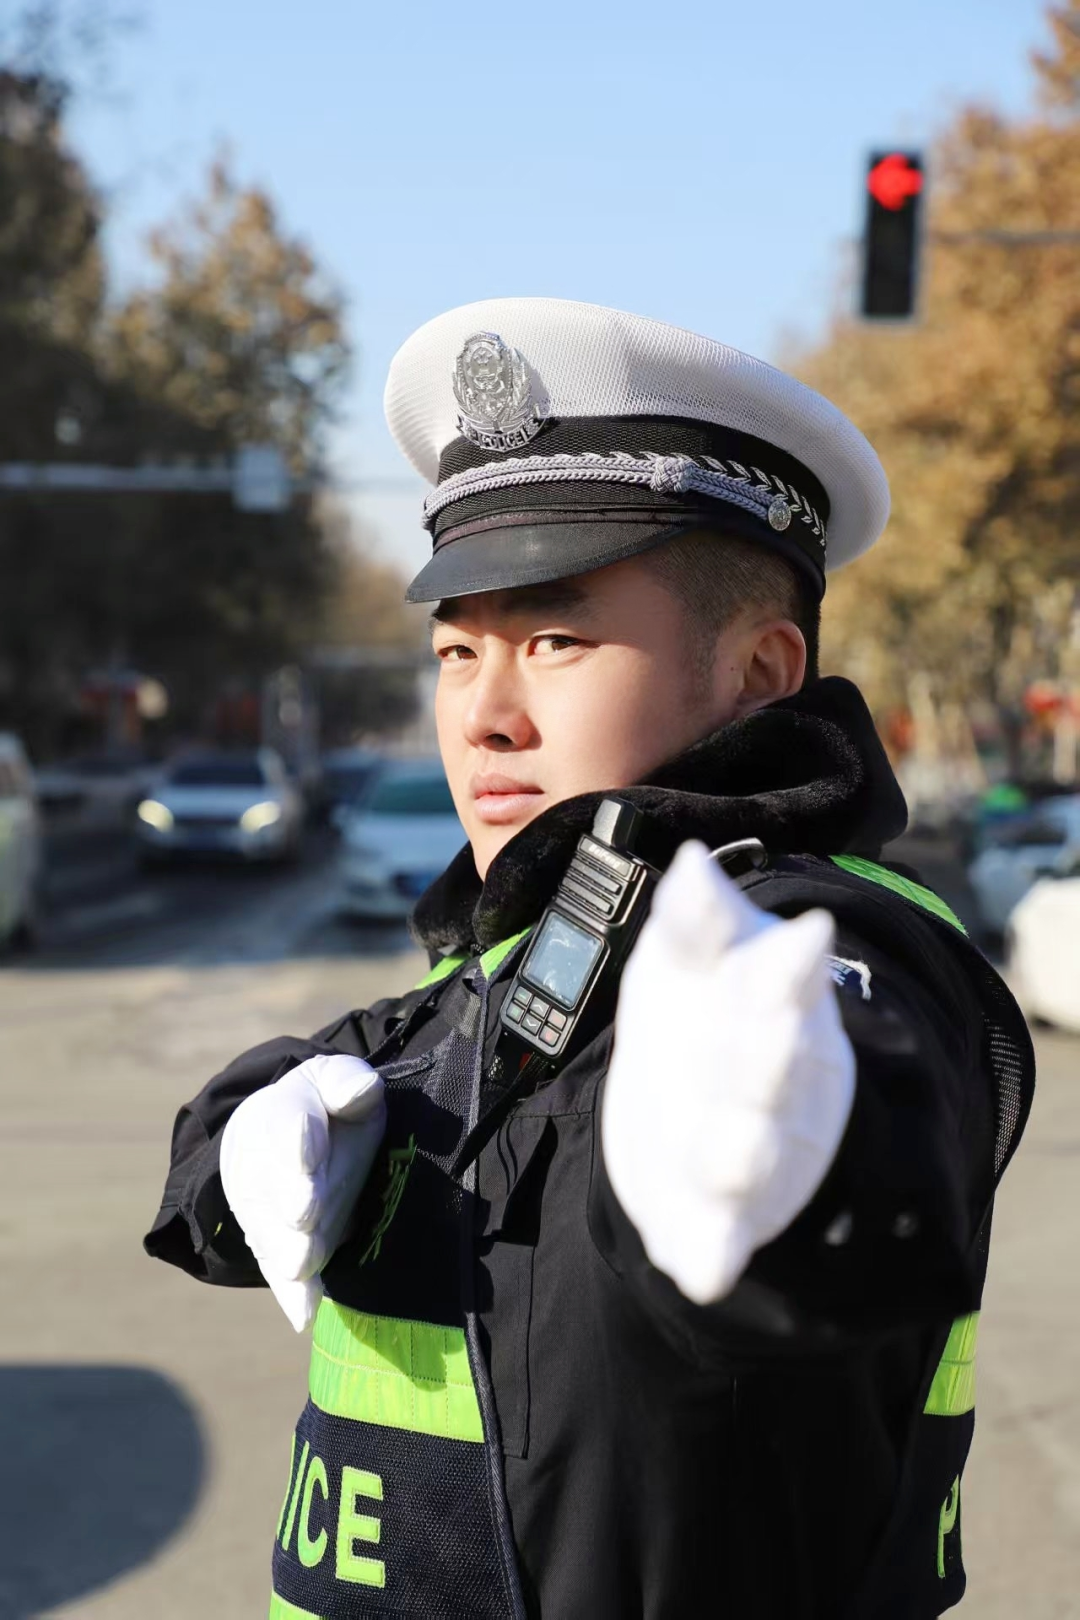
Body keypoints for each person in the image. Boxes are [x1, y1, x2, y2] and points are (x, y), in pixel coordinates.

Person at [145, 298, 1034, 1620]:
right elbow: (329, 1080)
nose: (485, 716)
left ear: (760, 673)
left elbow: (851, 1102)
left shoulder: (818, 942)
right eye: (458, 652)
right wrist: (242, 1151)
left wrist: (775, 1182)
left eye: (554, 641)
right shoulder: (527, 948)